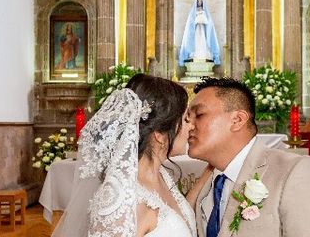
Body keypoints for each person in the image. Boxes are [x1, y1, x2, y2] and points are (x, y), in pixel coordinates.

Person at [53, 73, 212, 237]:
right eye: (186, 120)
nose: (192, 126)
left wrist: (211, 167)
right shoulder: (120, 199)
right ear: (159, 134)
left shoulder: (160, 174)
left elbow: (179, 215)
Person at [188, 77, 310, 237]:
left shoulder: (297, 172)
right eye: (187, 118)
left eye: (200, 114)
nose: (189, 125)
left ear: (237, 120)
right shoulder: (206, 184)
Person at [179, 0, 221, 65]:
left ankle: (203, 54)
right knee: (196, 41)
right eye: (198, 1)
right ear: (196, 2)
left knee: (203, 40)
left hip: (203, 29)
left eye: (200, 1)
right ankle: (195, 54)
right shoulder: (194, 11)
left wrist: (205, 21)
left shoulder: (204, 10)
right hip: (196, 29)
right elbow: (191, 21)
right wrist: (196, 21)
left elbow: (209, 21)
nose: (199, 2)